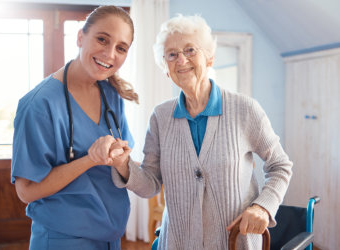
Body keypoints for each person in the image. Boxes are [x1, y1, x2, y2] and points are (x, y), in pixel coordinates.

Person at [109, 14, 293, 249]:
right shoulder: (160, 117)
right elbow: (151, 184)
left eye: (190, 50)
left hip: (234, 242)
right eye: (172, 55)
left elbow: (280, 166)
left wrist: (263, 207)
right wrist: (123, 165)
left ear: (209, 57)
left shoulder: (245, 110)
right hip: (177, 243)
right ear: (165, 68)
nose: (181, 60)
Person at [11, 6, 137, 250]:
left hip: (110, 235)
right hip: (63, 238)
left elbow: (125, 161)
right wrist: (90, 159)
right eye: (102, 39)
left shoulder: (111, 96)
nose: (110, 54)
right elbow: (26, 191)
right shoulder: (39, 104)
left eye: (121, 48)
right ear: (81, 37)